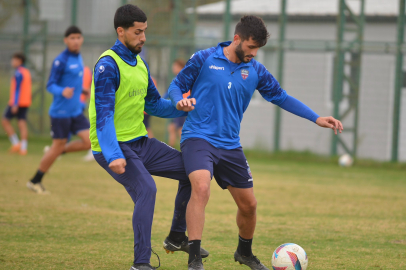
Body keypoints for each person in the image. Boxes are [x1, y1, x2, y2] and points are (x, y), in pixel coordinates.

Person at [168, 15, 344, 270]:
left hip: (229, 144)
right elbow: (177, 85)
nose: (253, 53)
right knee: (201, 187)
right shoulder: (204, 58)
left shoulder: (256, 70)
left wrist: (315, 117)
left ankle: (244, 252)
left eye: (257, 49)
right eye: (250, 47)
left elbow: (281, 97)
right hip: (198, 137)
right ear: (237, 39)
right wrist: (178, 101)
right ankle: (194, 258)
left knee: (249, 205)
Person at [89, 5, 208, 270]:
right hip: (114, 146)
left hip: (140, 142)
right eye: (137, 32)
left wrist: (178, 105)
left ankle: (177, 237)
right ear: (121, 32)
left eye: (145, 31)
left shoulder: (140, 63)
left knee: (193, 171)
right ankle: (140, 264)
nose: (143, 37)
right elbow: (104, 117)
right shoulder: (107, 66)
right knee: (147, 190)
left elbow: (154, 104)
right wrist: (113, 154)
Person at [26, 26, 91, 194]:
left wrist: (81, 91)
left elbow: (72, 79)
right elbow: (50, 85)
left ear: (82, 39)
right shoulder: (60, 60)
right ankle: (35, 181)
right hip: (60, 113)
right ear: (65, 40)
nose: (76, 41)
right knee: (57, 146)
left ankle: (59, 150)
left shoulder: (78, 57)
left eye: (78, 37)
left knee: (89, 141)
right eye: (72, 38)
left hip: (75, 111)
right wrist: (62, 91)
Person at [1, 52, 32, 155]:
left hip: (17, 102)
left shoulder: (19, 72)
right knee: (22, 123)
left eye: (14, 60)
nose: (12, 62)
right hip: (25, 102)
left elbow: (17, 89)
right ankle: (23, 148)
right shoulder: (26, 71)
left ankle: (16, 143)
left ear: (19, 61)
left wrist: (15, 103)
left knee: (5, 120)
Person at [165, 59, 188, 147]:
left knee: (180, 129)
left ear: (181, 68)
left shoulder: (184, 78)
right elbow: (169, 92)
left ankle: (186, 146)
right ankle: (170, 148)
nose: (173, 68)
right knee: (171, 128)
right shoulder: (175, 79)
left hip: (181, 106)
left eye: (176, 67)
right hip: (174, 106)